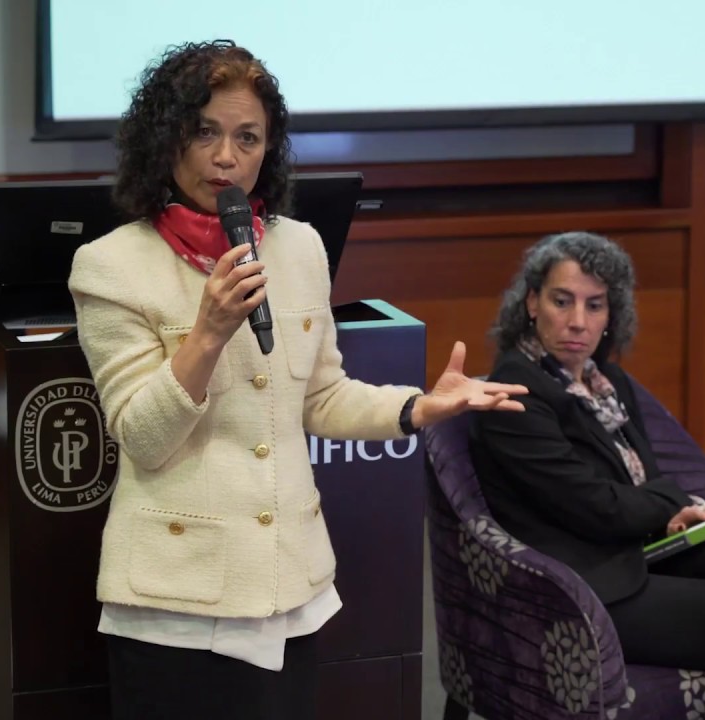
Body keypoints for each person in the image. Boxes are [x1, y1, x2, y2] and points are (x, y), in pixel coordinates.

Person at [67, 40, 527, 720]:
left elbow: (321, 396)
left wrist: (420, 406)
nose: (226, 156)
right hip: (177, 601)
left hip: (288, 583)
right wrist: (208, 334)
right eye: (205, 132)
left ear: (268, 151)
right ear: (165, 141)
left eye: (247, 138)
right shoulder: (110, 266)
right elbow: (142, 437)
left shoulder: (299, 247)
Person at [469, 231, 705, 720]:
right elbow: (592, 504)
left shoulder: (608, 381)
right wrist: (669, 505)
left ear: (611, 315)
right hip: (584, 584)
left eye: (595, 305)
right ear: (533, 302)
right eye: (563, 301)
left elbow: (643, 481)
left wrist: (672, 509)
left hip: (639, 550)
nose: (578, 321)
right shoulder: (511, 393)